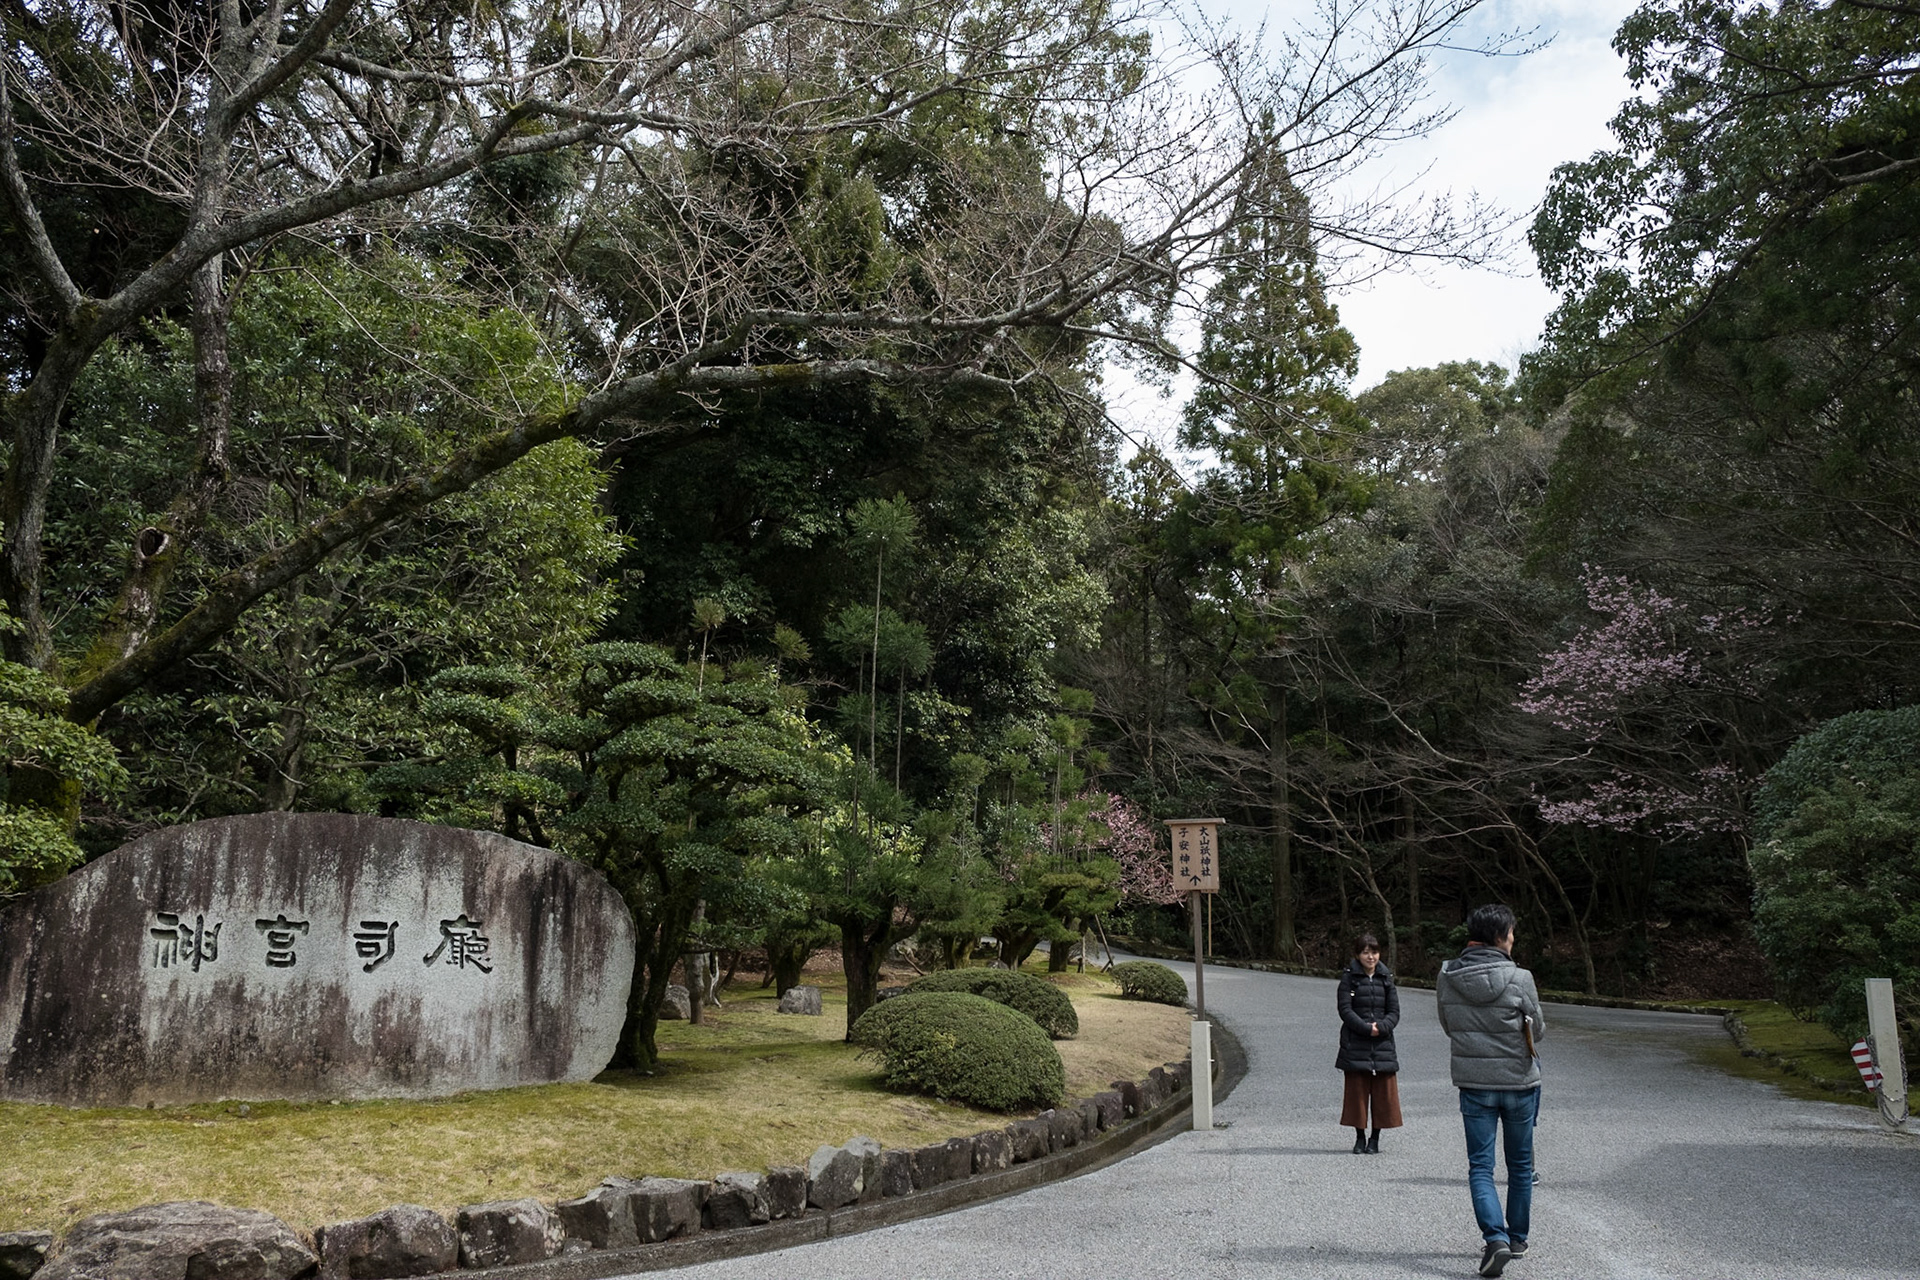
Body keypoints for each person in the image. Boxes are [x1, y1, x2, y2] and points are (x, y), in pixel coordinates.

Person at [1435, 903, 1543, 1278]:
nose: (1514, 939)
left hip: (1475, 1084)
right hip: (1518, 1082)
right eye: (1511, 933)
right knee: (1520, 1165)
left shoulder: (1447, 976)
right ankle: (1517, 1240)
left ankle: (1494, 1238)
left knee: (1481, 1166)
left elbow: (1449, 1025)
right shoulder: (1521, 978)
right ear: (1499, 937)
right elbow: (1538, 1030)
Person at [1335, 932, 1401, 1154]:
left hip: (1383, 1044)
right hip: (1356, 1042)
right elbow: (1345, 1010)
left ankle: (1375, 1138)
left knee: (1383, 1094)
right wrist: (1365, 1028)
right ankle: (1359, 1137)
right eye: (1366, 952)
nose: (1371, 957)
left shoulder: (1386, 978)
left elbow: (1394, 1012)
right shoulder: (1349, 978)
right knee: (1357, 1093)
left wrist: (1381, 1027)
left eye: (1374, 952)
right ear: (1357, 954)